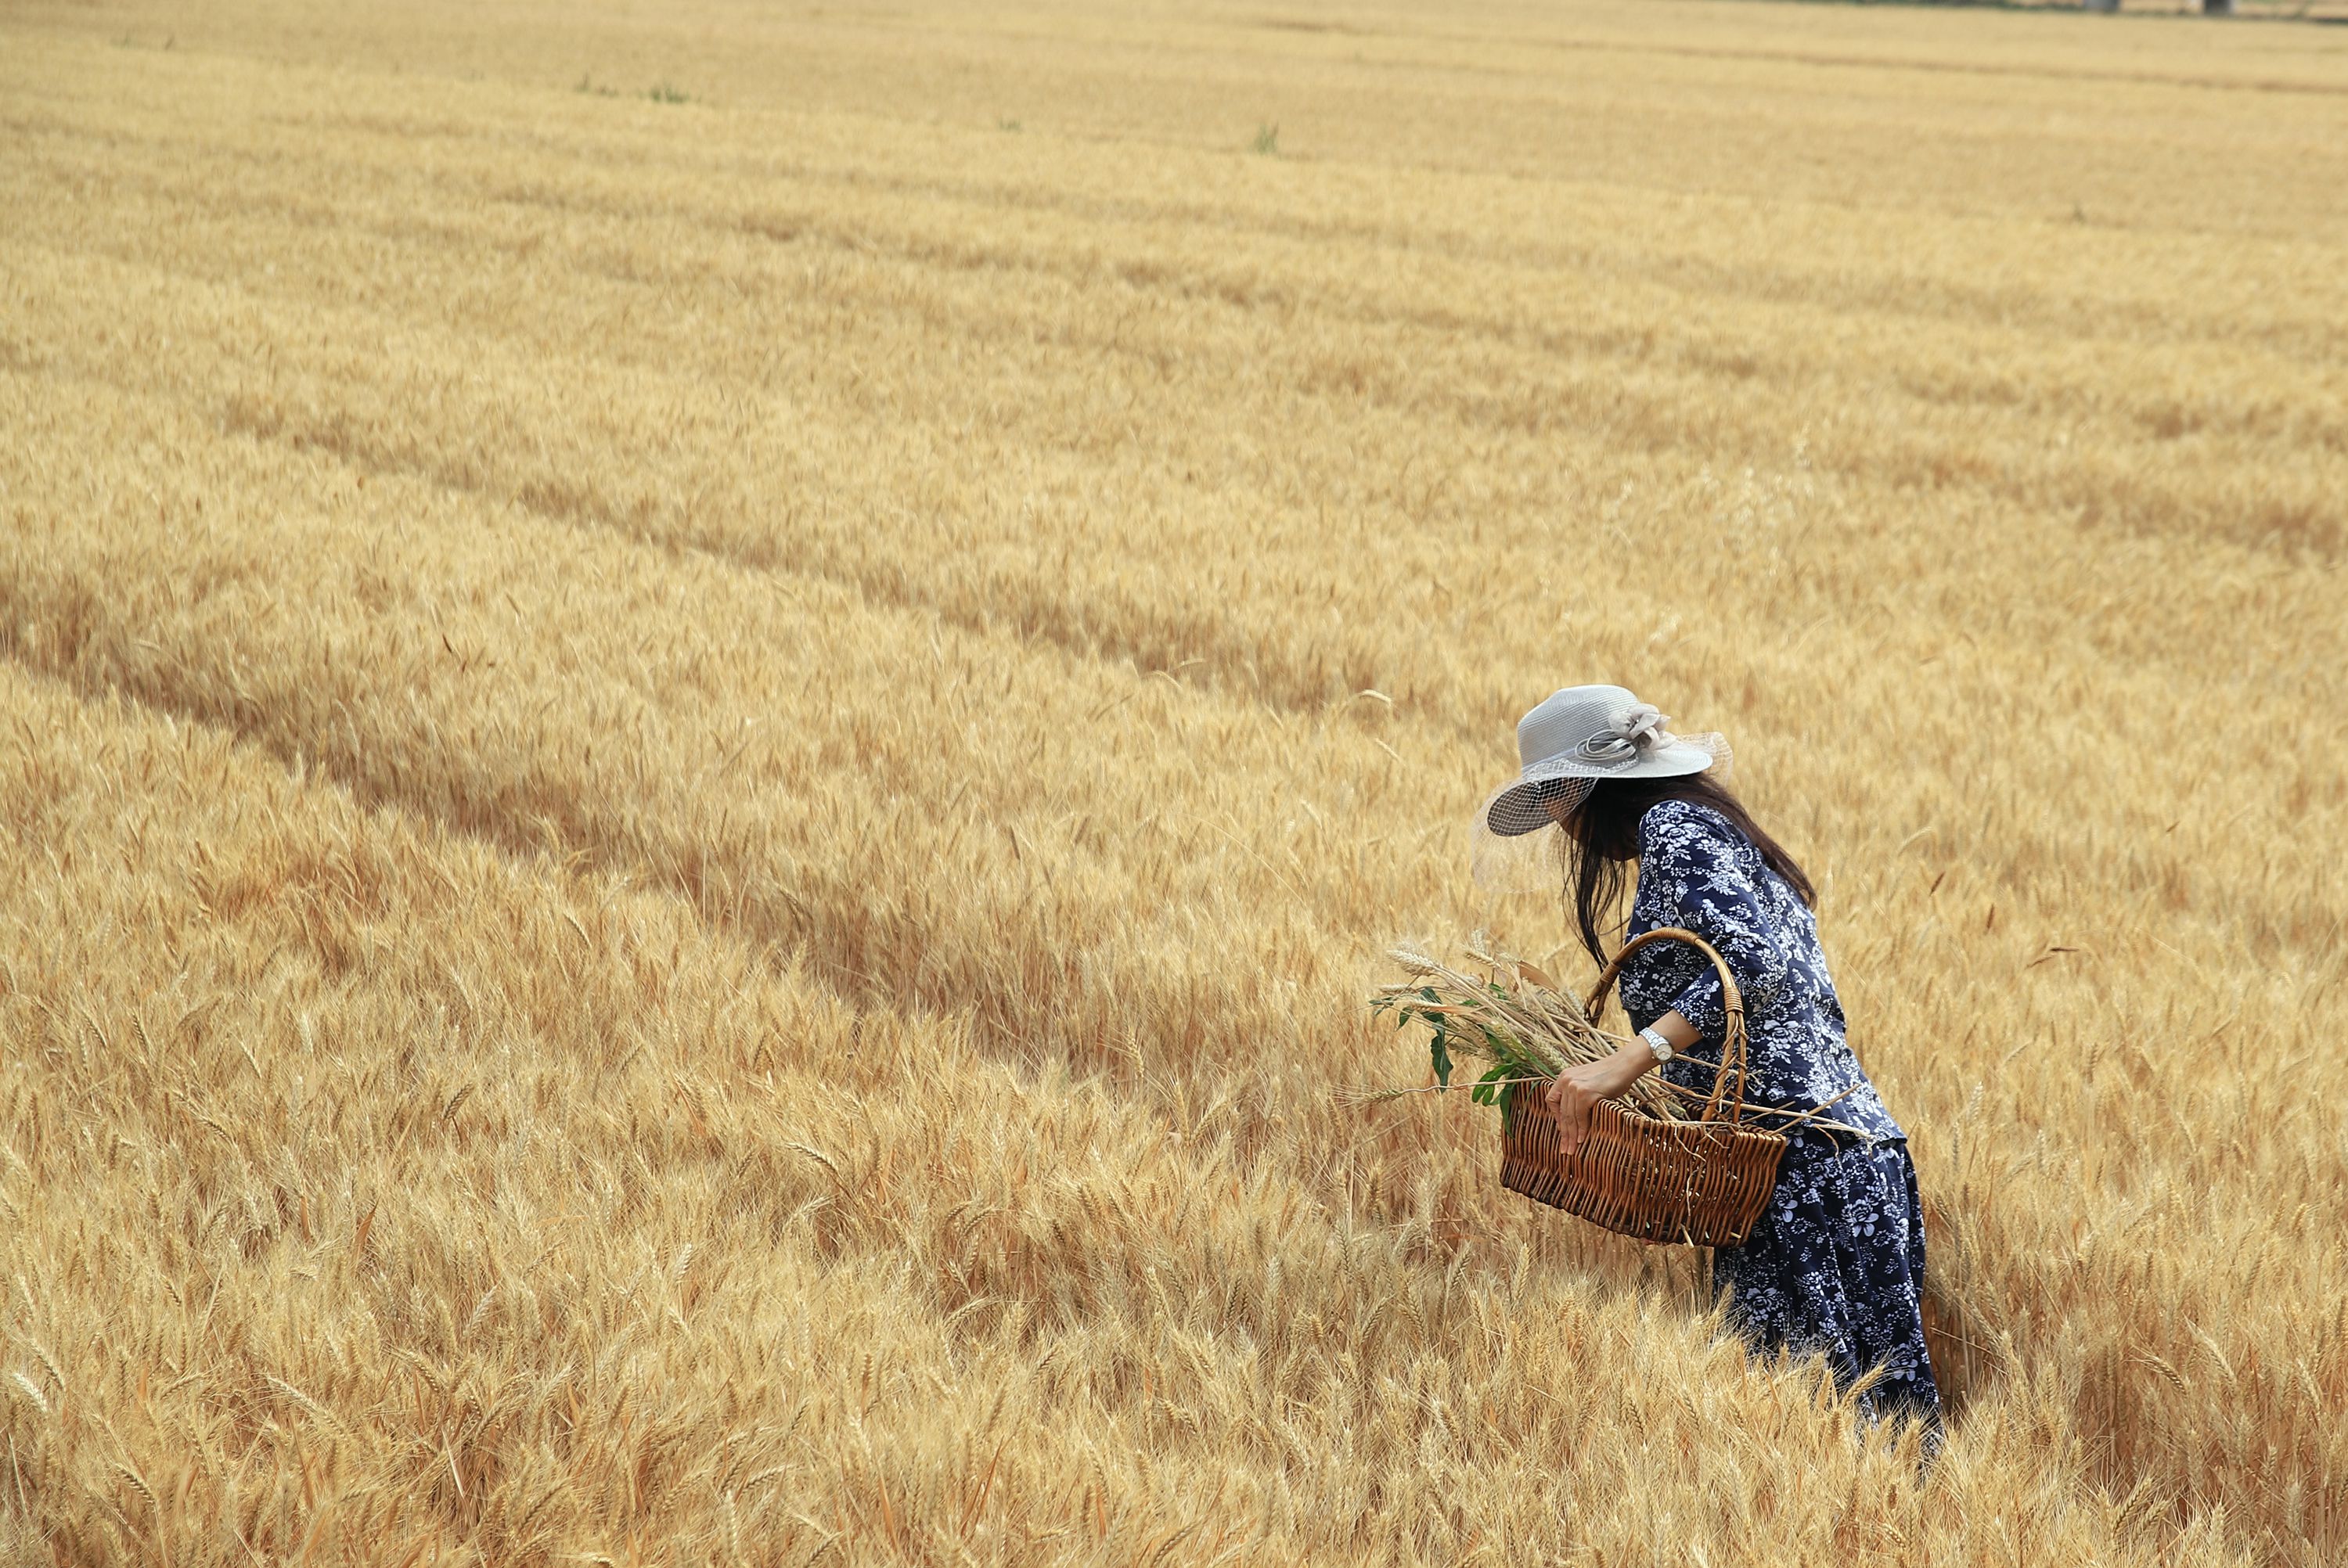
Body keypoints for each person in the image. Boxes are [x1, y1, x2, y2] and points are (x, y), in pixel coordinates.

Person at [1475, 685, 1942, 1432]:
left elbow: (1756, 964)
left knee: (1807, 1437)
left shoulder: (1674, 825)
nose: (1562, 827)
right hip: (1843, 1157)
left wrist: (1628, 1061)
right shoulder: (1715, 830)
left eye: (1558, 802)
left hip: (1795, 1169)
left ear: (1588, 791)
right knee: (1872, 1438)